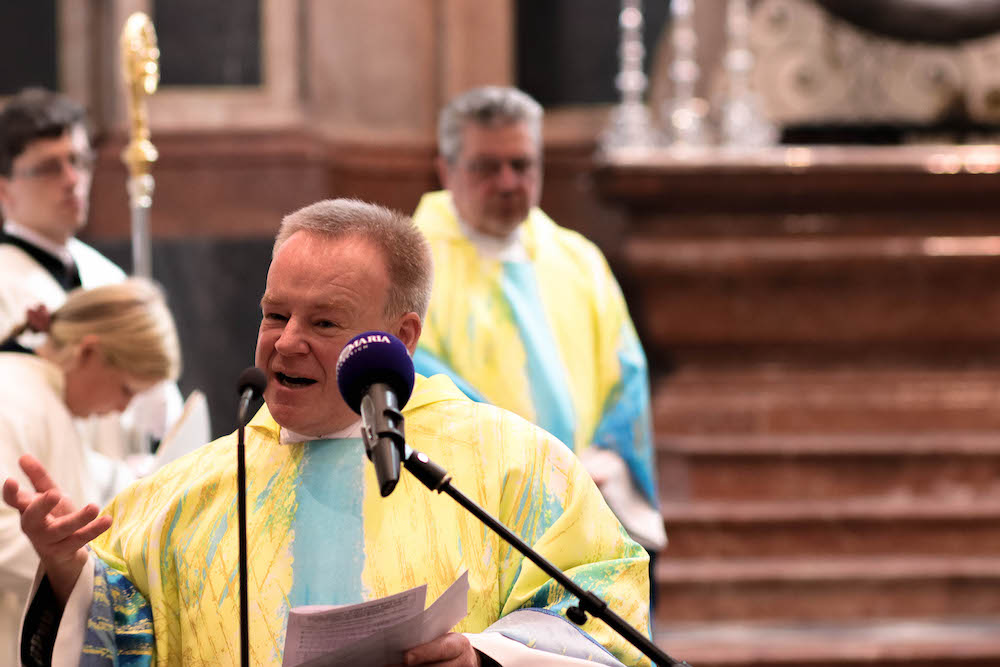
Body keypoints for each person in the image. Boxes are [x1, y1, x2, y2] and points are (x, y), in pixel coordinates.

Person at [4, 199, 653, 666]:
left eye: (323, 322)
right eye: (275, 312)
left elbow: (606, 615)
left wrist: (486, 658)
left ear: (399, 337)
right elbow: (121, 628)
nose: (285, 341)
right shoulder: (184, 493)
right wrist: (70, 570)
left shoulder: (517, 470)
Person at [412, 86, 667, 562]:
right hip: (480, 516)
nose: (509, 182)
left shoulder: (578, 259)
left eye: (522, 164)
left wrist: (604, 462)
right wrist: (531, 468)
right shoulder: (410, 265)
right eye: (487, 166)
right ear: (446, 170)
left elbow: (626, 375)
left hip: (588, 499)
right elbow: (422, 383)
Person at [0, 278, 181, 666]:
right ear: (90, 352)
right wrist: (82, 563)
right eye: (127, 389)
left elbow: (86, 480)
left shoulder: (48, 400)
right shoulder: (12, 397)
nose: (121, 408)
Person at [0, 87, 184, 459]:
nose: (73, 180)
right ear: (5, 190)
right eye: (51, 167)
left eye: (80, 161)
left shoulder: (107, 275)